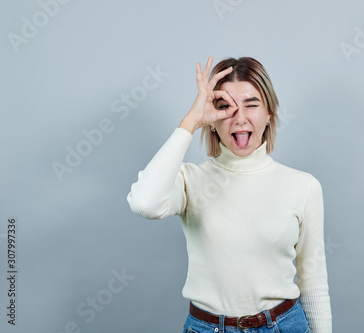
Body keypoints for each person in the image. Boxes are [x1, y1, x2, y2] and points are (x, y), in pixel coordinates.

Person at [127, 56, 332, 332]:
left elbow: (314, 282)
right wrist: (191, 120)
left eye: (252, 105)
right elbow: (144, 203)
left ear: (269, 113)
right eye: (225, 107)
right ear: (212, 119)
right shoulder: (190, 180)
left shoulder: (303, 186)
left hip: (284, 325)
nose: (240, 117)